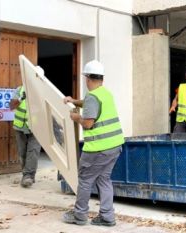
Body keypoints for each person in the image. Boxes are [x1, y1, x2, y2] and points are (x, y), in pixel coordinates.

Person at [62, 60, 124, 227]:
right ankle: (107, 216)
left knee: (84, 180)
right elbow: (89, 104)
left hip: (98, 148)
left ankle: (80, 215)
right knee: (104, 179)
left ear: (88, 78)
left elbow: (88, 123)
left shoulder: (92, 97)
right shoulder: (105, 93)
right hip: (115, 145)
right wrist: (74, 101)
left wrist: (77, 118)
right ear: (101, 78)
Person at [10, 80, 42, 188]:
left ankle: (28, 176)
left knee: (33, 152)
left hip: (36, 127)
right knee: (22, 152)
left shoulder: (43, 91)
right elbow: (11, 106)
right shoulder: (20, 90)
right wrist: (21, 98)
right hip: (20, 127)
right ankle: (26, 175)